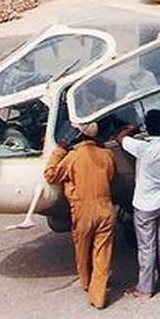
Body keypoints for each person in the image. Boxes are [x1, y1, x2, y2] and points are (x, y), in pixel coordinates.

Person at [44, 121, 117, 309]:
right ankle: (98, 295)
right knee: (103, 252)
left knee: (82, 251)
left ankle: (86, 283)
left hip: (83, 211)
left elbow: (50, 175)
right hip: (105, 208)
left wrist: (60, 150)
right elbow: (112, 176)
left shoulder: (73, 157)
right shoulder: (107, 155)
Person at [119, 108, 160, 299]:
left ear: (148, 129)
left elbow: (120, 138)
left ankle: (145, 289)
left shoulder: (143, 148)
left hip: (145, 206)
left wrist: (132, 128)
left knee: (146, 247)